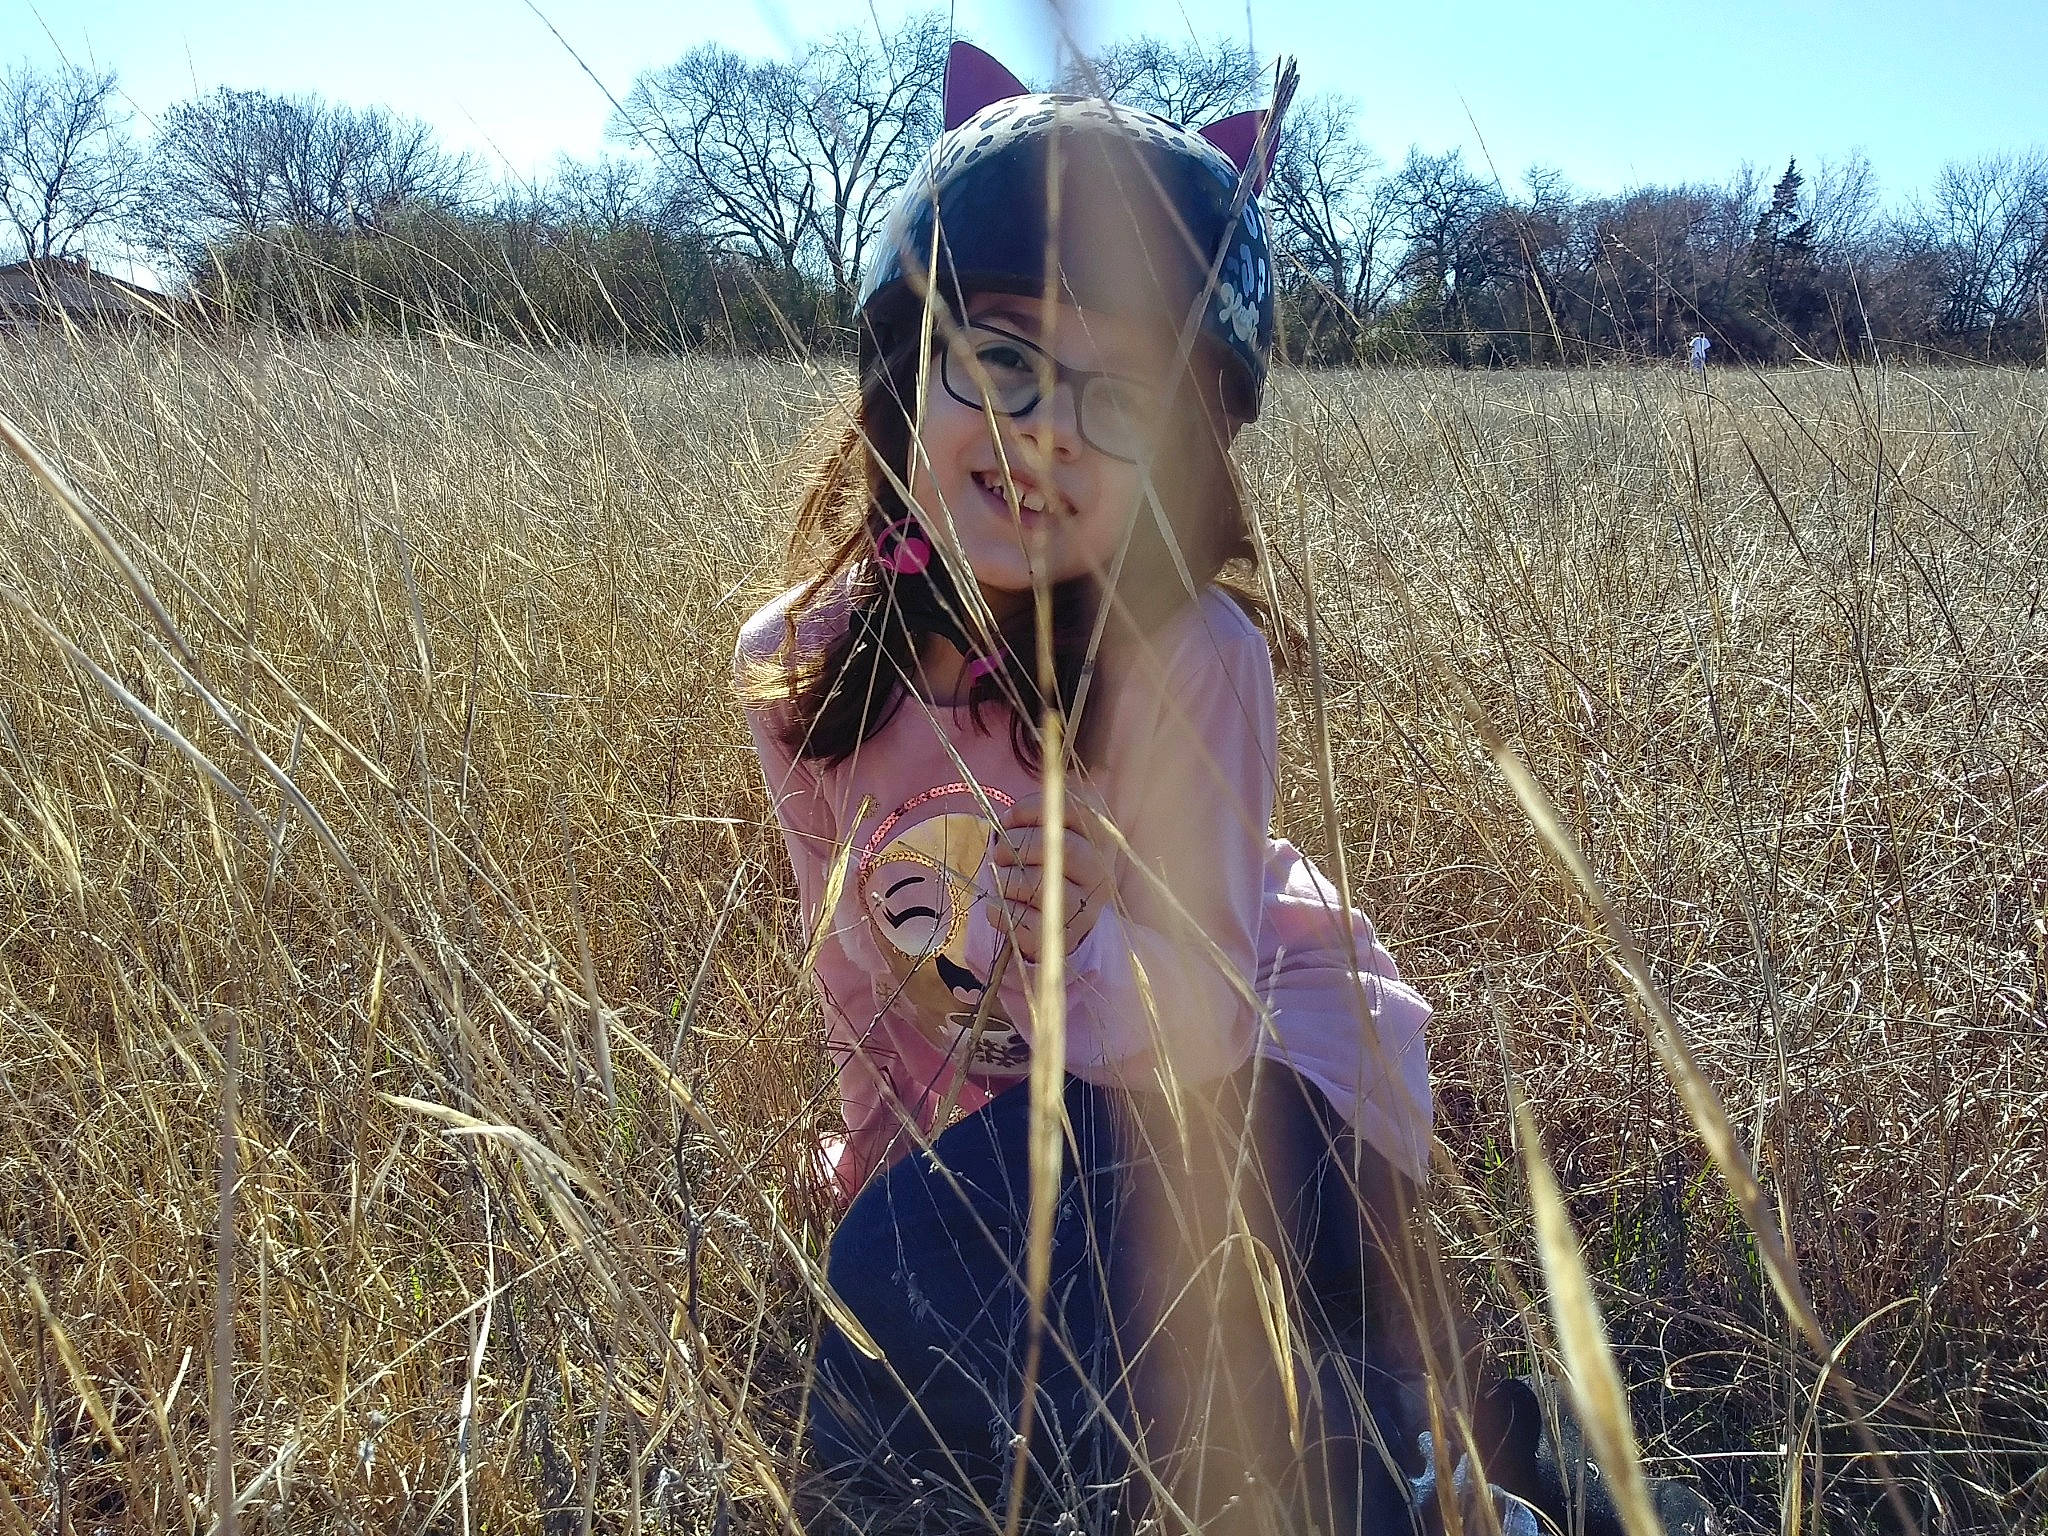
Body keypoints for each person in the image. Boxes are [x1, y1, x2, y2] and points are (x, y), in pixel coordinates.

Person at [736, 42, 1689, 1536]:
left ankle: (1426, 1486)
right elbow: (853, 975)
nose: (1044, 429)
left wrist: (1080, 930)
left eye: (1119, 399)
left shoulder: (1190, 657)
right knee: (936, 1265)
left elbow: (1200, 1020)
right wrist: (887, 1167)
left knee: (1027, 1267)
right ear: (896, 364)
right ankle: (1452, 1453)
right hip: (1041, 1138)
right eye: (996, 361)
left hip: (1263, 1085)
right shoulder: (801, 670)